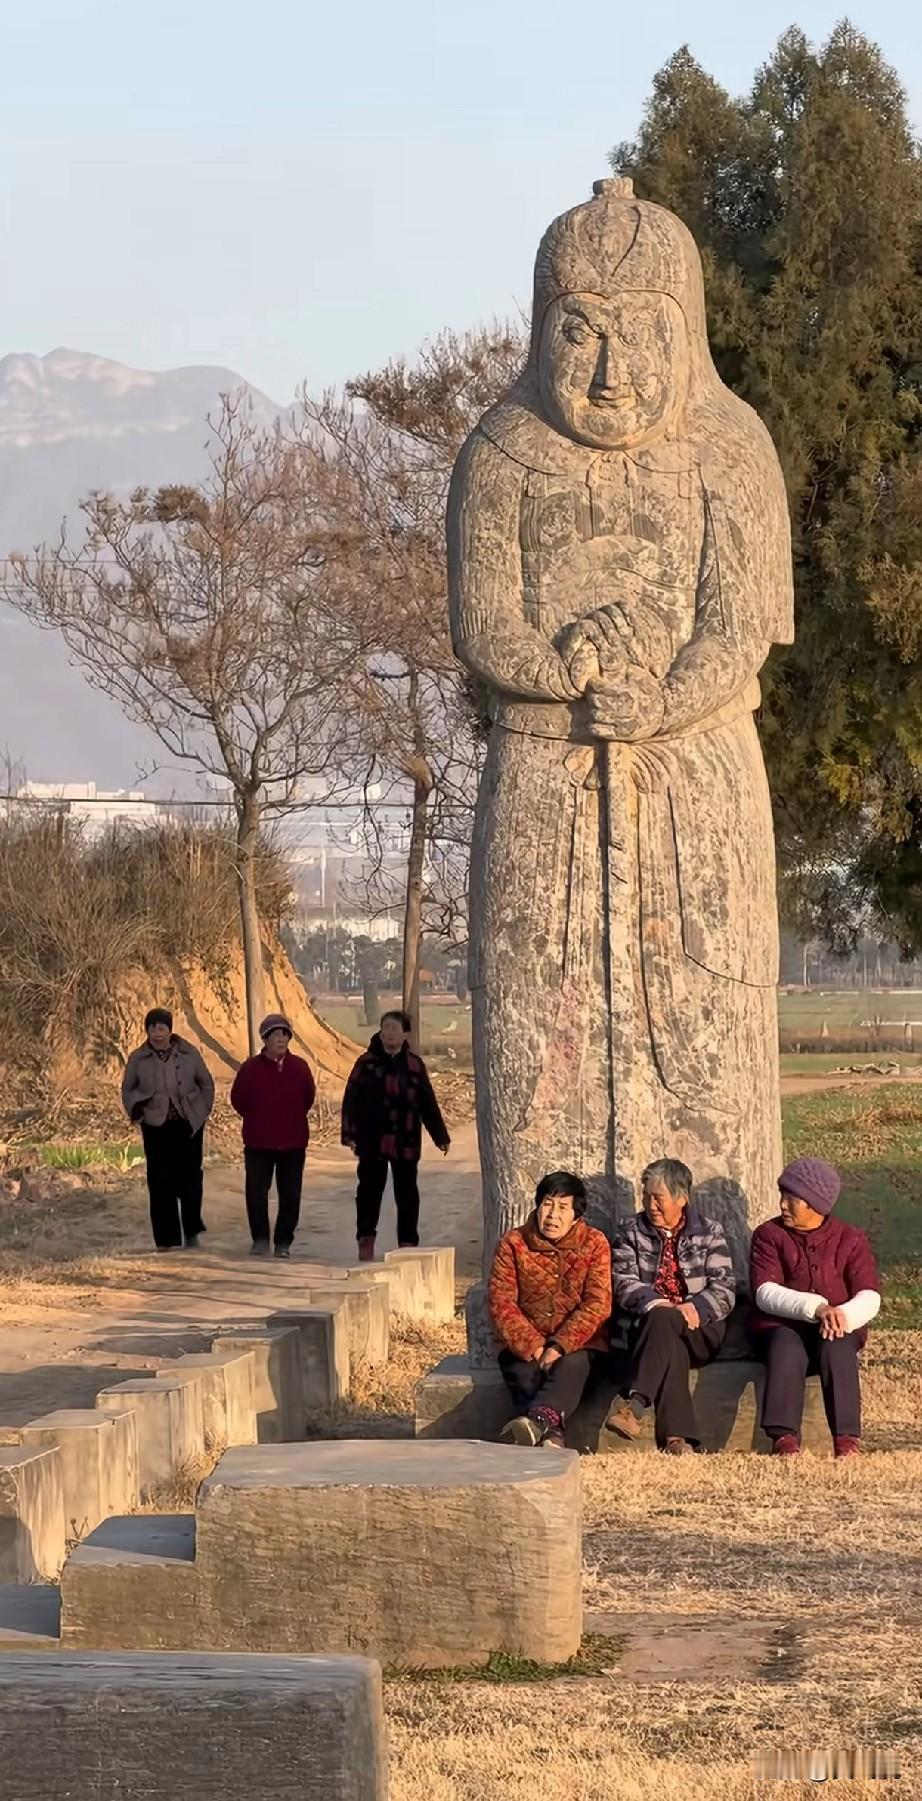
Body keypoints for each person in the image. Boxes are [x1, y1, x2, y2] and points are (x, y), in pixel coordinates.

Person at [750, 1157, 881, 1458]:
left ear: (814, 1204)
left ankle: (846, 1440)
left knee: (837, 1347)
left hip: (836, 1326)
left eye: (791, 1198)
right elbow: (765, 1291)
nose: (782, 1204)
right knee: (786, 1345)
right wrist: (819, 1308)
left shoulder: (851, 1239)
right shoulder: (768, 1236)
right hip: (781, 1325)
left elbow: (869, 1294)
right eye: (782, 1195)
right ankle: (784, 1437)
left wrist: (841, 1317)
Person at [605, 1159, 735, 1453]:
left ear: (682, 1198)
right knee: (666, 1334)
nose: (651, 1205)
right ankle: (678, 1440)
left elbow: (725, 1287)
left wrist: (696, 1308)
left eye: (658, 1198)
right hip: (650, 1328)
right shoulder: (630, 1231)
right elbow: (621, 1280)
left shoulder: (709, 1231)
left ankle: (635, 1404)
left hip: (699, 1329)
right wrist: (655, 1303)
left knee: (668, 1325)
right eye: (646, 1196)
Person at [488, 1171, 612, 1449]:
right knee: (524, 1371)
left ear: (576, 1215)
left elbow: (597, 1303)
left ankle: (538, 1423)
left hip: (579, 1344)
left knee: (574, 1364)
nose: (552, 1215)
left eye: (562, 1208)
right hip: (524, 1343)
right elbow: (501, 1301)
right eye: (547, 1204)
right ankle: (552, 1435)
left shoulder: (595, 1243)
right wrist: (532, 1345)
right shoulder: (513, 1243)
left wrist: (559, 1345)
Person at [341, 1010, 450, 1260]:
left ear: (404, 1034)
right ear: (379, 1031)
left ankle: (408, 1243)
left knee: (407, 1193)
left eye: (394, 1028)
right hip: (372, 1139)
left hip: (406, 1139)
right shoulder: (366, 1063)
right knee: (369, 1190)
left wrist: (440, 1135)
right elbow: (351, 1100)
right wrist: (349, 1133)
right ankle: (365, 1239)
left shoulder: (414, 1065)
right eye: (385, 1027)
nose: (389, 1033)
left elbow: (427, 1103)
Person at [121, 1007, 215, 1252]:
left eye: (161, 1027)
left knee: (191, 1178)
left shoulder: (188, 1053)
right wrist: (138, 1113)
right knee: (160, 1181)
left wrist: (202, 1112)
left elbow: (206, 1084)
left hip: (188, 1123)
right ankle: (166, 1239)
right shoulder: (137, 1058)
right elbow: (128, 1088)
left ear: (170, 1030)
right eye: (152, 1028)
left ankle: (192, 1230)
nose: (157, 1033)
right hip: (155, 1126)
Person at [230, 1013, 316, 1259]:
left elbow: (307, 1097)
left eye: (285, 1034)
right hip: (259, 1141)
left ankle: (283, 1242)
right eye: (275, 1035)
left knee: (290, 1194)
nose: (281, 1039)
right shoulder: (250, 1069)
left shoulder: (299, 1067)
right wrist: (256, 1117)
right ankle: (260, 1238)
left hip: (293, 1141)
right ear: (265, 1039)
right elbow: (238, 1099)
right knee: (256, 1192)